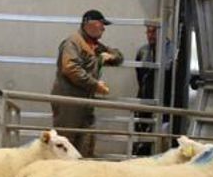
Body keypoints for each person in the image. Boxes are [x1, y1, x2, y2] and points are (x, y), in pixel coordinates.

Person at [50, 9, 123, 157]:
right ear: (88, 24)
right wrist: (95, 85)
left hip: (84, 103)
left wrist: (110, 57)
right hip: (69, 102)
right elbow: (71, 69)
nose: (103, 28)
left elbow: (119, 55)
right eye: (101, 24)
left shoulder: (94, 45)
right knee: (66, 143)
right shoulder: (73, 42)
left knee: (85, 142)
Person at [133, 23, 173, 156]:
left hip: (164, 103)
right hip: (145, 102)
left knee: (160, 141)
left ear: (163, 32)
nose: (150, 36)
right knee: (140, 140)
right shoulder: (143, 51)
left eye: (153, 32)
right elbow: (140, 77)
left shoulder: (172, 52)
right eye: (148, 32)